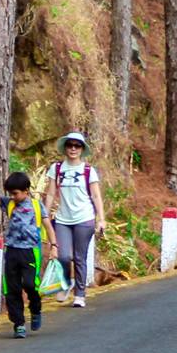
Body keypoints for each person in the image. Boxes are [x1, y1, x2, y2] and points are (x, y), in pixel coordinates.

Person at [45, 131, 105, 309]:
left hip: (84, 218)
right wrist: (44, 214)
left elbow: (96, 196)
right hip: (63, 218)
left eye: (77, 146)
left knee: (80, 257)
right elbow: (50, 193)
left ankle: (79, 294)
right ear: (65, 148)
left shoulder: (88, 171)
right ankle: (65, 283)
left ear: (82, 149)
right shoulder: (56, 168)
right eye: (70, 145)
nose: (73, 149)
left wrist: (101, 219)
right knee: (63, 256)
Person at [0, 170, 52, 338]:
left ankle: (35, 309)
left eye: (15, 193)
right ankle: (19, 323)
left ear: (26, 191)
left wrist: (54, 246)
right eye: (10, 194)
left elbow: (47, 226)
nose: (13, 196)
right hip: (12, 251)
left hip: (30, 251)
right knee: (12, 288)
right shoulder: (9, 204)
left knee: (30, 285)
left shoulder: (36, 206)